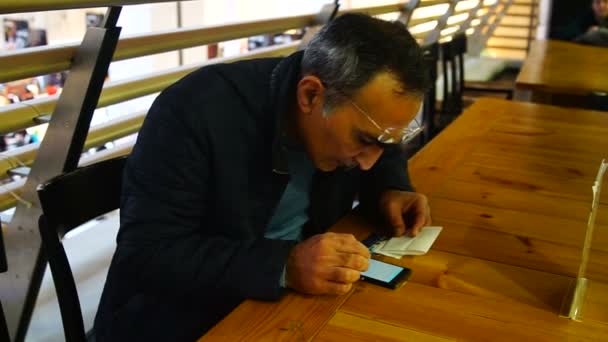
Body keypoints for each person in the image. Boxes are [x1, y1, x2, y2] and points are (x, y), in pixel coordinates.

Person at [95, 13, 431, 341]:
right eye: (363, 141)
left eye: (383, 142)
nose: (370, 162)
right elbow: (150, 253)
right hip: (183, 317)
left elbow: (383, 146)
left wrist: (392, 187)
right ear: (310, 95)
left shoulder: (346, 106)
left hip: (288, 302)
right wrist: (286, 265)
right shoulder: (196, 111)